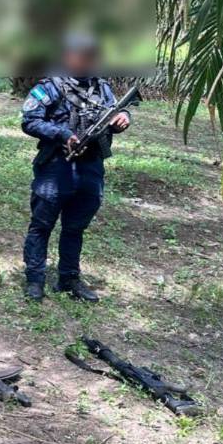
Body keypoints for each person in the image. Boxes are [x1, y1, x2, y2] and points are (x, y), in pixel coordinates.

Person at [20, 34, 132, 303]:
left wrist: (123, 117)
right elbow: (29, 121)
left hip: (91, 166)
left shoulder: (101, 87)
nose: (86, 61)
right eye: (81, 55)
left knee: (76, 226)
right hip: (56, 166)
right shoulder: (50, 86)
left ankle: (69, 278)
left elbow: (117, 111)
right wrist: (61, 134)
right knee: (42, 224)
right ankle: (35, 279)